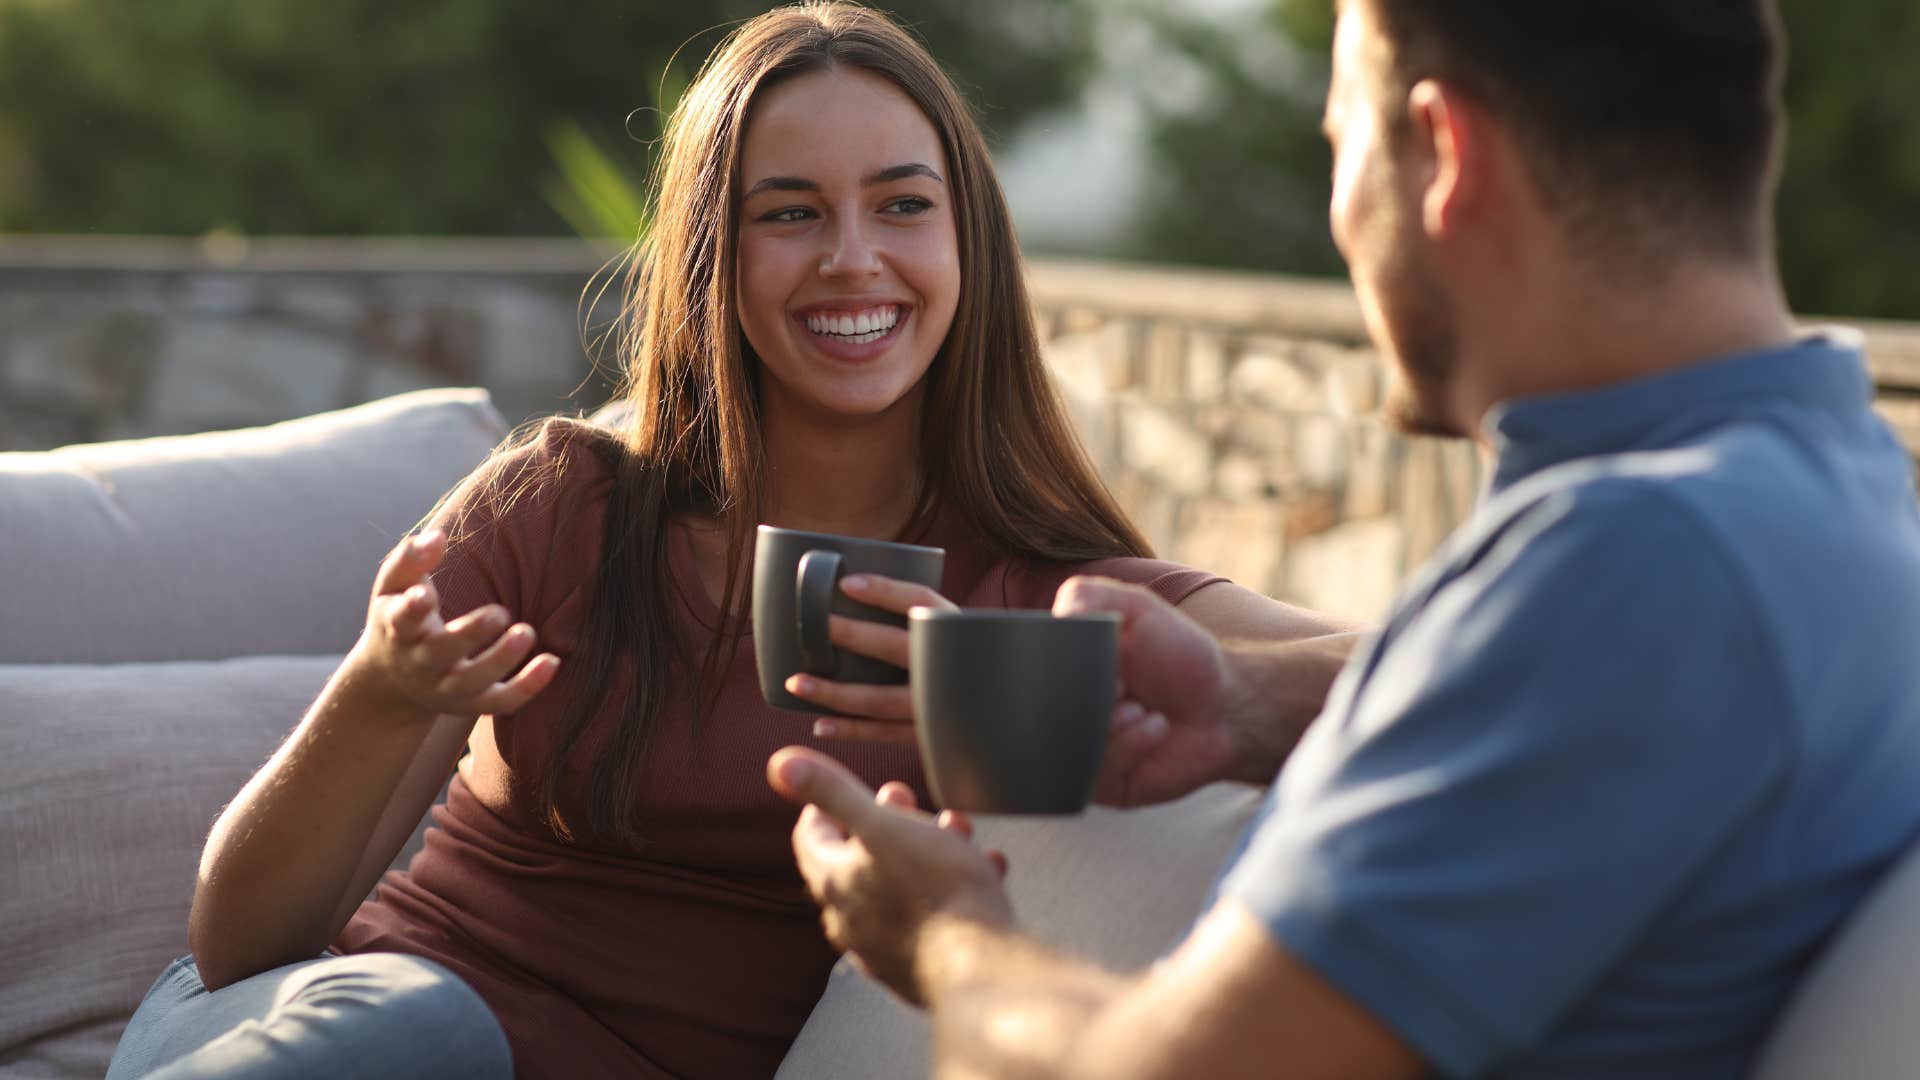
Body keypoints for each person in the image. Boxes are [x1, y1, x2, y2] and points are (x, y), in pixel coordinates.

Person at [104, 5, 1360, 1079]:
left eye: (902, 205)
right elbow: (239, 947)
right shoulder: (564, 507)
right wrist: (382, 691)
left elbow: (1413, 666)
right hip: (335, 1031)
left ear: (966, 242)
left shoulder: (1035, 592)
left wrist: (1223, 689)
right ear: (715, 252)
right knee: (421, 1033)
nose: (853, 259)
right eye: (791, 213)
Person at [769, 1, 1920, 1077]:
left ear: (1444, 153)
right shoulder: (1841, 482)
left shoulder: (1640, 559)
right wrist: (1245, 707)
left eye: (1342, 142)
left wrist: (945, 937)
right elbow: (1603, 725)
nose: (1340, 209)